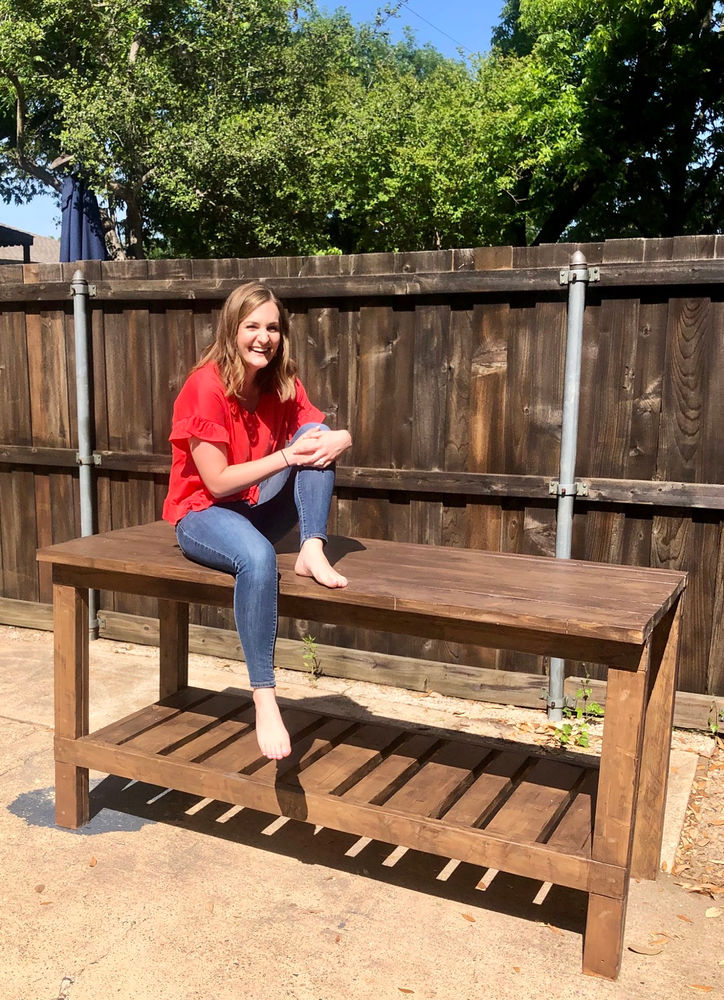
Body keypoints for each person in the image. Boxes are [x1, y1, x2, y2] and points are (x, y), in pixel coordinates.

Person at [162, 281, 352, 761]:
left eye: (272, 327)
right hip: (203, 514)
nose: (263, 337)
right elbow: (219, 481)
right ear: (232, 329)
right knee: (258, 558)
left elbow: (316, 433)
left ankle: (312, 547)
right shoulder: (204, 386)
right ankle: (264, 696)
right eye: (252, 326)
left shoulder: (281, 382)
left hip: (254, 507)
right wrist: (289, 455)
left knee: (316, 434)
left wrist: (340, 438)